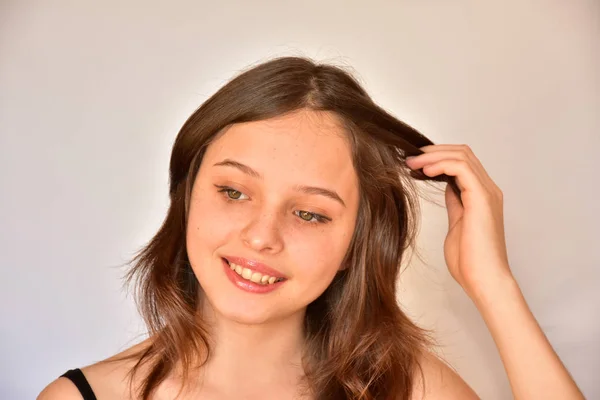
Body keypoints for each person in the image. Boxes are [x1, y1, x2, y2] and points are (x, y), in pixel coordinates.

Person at [38, 56, 583, 400]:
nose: (261, 236)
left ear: (354, 246)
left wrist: (493, 283)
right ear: (186, 201)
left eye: (310, 213)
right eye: (233, 192)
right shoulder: (82, 397)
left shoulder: (407, 389)